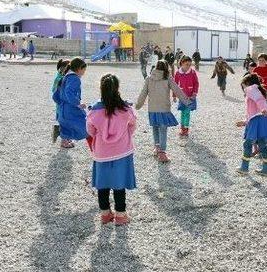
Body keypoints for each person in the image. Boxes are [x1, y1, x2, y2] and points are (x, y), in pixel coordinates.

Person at [87, 74, 137, 226]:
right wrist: (124, 134)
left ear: (101, 89)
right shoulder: (125, 108)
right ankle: (121, 216)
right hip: (122, 151)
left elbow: (90, 130)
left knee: (103, 184)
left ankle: (105, 214)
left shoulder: (94, 110)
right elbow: (133, 125)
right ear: (117, 88)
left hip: (102, 152)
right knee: (119, 183)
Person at [135, 60, 190, 163]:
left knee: (155, 127)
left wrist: (138, 105)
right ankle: (162, 153)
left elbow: (143, 93)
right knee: (163, 130)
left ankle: (157, 148)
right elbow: (177, 90)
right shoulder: (167, 78)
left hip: (152, 109)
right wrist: (187, 101)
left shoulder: (149, 78)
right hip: (164, 109)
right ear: (166, 68)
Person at [236, 74, 267, 176]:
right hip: (263, 119)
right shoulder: (258, 90)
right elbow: (253, 109)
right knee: (262, 144)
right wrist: (245, 122)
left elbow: (259, 100)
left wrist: (264, 109)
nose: (243, 88)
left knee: (248, 144)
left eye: (243, 85)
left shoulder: (251, 89)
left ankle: (244, 168)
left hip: (257, 120)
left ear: (247, 83)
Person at [53, 57, 89, 149]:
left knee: (68, 124)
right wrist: (77, 104)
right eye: (84, 70)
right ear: (79, 69)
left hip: (63, 107)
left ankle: (63, 138)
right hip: (70, 108)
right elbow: (69, 92)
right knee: (85, 124)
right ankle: (60, 132)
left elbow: (55, 94)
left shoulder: (66, 76)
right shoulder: (75, 78)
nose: (84, 72)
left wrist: (60, 103)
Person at [173, 55, 199, 137]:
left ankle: (186, 129)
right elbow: (175, 85)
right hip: (182, 96)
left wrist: (194, 93)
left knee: (187, 113)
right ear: (182, 63)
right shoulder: (178, 73)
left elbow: (196, 83)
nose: (188, 66)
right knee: (182, 112)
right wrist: (174, 95)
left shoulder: (192, 72)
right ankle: (182, 128)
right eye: (187, 64)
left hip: (190, 96)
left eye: (190, 64)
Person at [51, 59, 70, 143]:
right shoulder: (60, 78)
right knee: (64, 121)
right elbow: (54, 91)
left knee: (63, 120)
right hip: (62, 104)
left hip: (61, 104)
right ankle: (64, 140)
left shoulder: (60, 76)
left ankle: (65, 137)